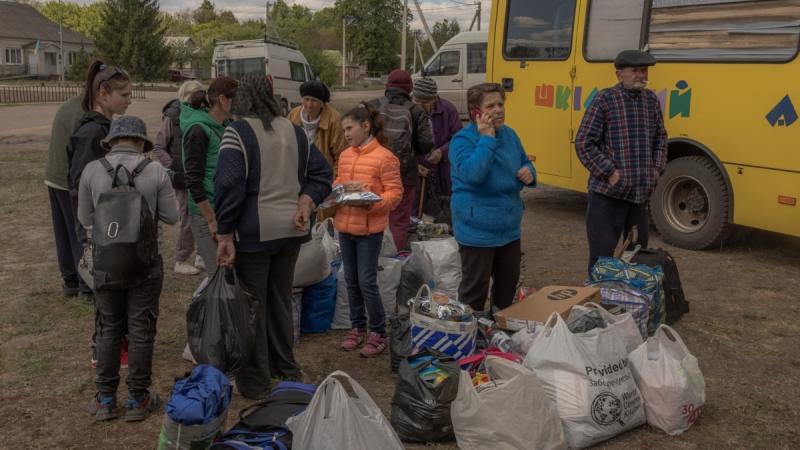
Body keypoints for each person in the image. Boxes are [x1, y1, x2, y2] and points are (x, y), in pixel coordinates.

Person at [214, 73, 333, 398]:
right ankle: (285, 367)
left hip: (253, 234)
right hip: (291, 233)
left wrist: (224, 233)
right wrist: (306, 201)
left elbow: (228, 185)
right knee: (280, 299)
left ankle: (255, 381)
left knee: (252, 305)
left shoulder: (237, 132)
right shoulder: (294, 132)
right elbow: (323, 173)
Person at [78, 116, 178, 422]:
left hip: (105, 263)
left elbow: (85, 218)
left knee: (108, 328)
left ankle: (106, 399)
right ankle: (137, 398)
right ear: (141, 141)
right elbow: (173, 217)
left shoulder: (92, 170)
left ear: (112, 140)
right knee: (141, 329)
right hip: (145, 264)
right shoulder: (156, 170)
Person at [575, 49, 668, 274]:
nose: (640, 75)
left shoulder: (651, 101)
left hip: (638, 196)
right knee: (602, 255)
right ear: (619, 74)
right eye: (634, 70)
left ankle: (627, 301)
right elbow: (584, 143)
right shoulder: (604, 100)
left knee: (636, 254)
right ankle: (598, 301)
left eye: (643, 70)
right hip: (608, 196)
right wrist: (609, 172)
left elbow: (661, 138)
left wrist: (656, 169)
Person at [450, 83, 536, 312]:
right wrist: (486, 138)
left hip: (509, 229)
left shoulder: (510, 134)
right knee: (474, 290)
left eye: (500, 104)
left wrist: (530, 172)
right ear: (475, 111)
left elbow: (524, 161)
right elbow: (473, 175)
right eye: (491, 105)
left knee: (507, 287)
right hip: (477, 231)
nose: (498, 110)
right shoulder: (462, 140)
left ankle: (498, 332)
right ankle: (470, 336)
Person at [334, 103, 403, 357]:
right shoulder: (345, 155)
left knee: (367, 282)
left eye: (350, 128)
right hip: (345, 226)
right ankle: (357, 327)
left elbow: (395, 194)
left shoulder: (385, 157)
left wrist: (372, 203)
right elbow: (339, 183)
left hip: (369, 230)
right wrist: (335, 193)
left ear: (366, 126)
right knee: (350, 280)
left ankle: (378, 332)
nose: (346, 134)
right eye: (343, 131)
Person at [68, 60, 133, 299]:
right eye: (124, 94)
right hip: (99, 230)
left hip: (110, 224)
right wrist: (89, 231)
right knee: (106, 301)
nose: (129, 99)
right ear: (104, 93)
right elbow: (80, 186)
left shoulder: (106, 129)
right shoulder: (92, 133)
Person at [368, 69, 432, 251]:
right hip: (405, 175)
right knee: (399, 220)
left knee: (373, 217)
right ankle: (396, 263)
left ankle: (373, 260)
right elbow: (426, 144)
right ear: (409, 89)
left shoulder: (372, 106)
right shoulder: (415, 110)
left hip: (373, 173)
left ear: (387, 87)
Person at [181, 76, 238, 278]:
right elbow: (193, 180)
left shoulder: (226, 126)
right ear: (222, 99)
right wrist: (211, 219)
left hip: (224, 210)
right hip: (207, 214)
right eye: (236, 99)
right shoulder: (198, 130)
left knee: (228, 276)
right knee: (218, 276)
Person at [152, 80, 206, 276]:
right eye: (193, 95)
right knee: (188, 218)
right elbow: (159, 146)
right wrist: (174, 165)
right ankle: (181, 259)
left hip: (202, 175)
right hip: (182, 178)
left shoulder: (205, 114)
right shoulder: (172, 117)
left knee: (205, 215)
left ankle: (202, 254)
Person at [46, 95, 89, 298]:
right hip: (67, 179)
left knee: (63, 231)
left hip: (55, 176)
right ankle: (85, 285)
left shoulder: (68, 106)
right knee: (78, 233)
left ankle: (70, 280)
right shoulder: (84, 113)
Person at [411, 77, 462, 221]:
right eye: (417, 102)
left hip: (442, 167)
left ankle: (447, 234)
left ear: (434, 99)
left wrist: (442, 151)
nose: (420, 106)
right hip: (417, 167)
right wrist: (415, 163)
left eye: (425, 103)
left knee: (445, 207)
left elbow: (459, 138)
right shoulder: (407, 109)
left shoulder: (448, 109)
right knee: (414, 209)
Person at [287, 80, 347, 172]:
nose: (309, 105)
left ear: (322, 103)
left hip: (323, 174)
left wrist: (330, 180)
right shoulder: (294, 115)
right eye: (306, 99)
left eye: (314, 101)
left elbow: (342, 156)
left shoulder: (334, 120)